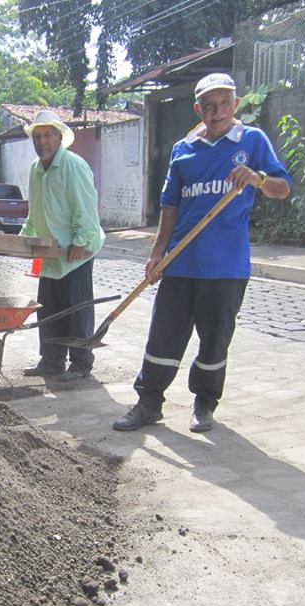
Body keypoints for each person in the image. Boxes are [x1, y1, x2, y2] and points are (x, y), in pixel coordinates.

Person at [113, 73, 291, 433]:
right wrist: (157, 253)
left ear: (236, 105)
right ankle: (149, 403)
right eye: (209, 105)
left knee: (214, 340)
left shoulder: (252, 141)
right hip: (179, 263)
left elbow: (282, 188)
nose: (217, 111)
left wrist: (256, 178)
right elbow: (169, 207)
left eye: (224, 103)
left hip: (226, 267)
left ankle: (204, 405)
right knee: (163, 336)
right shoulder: (184, 150)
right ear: (199, 109)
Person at [19, 109, 106, 381]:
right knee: (50, 310)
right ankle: (52, 361)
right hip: (50, 252)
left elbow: (86, 209)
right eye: (38, 136)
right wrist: (24, 238)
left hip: (76, 252)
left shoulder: (73, 165)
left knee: (77, 310)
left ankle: (81, 364)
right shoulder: (35, 170)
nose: (42, 141)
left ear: (59, 138)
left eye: (47, 135)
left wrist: (80, 241)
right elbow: (35, 210)